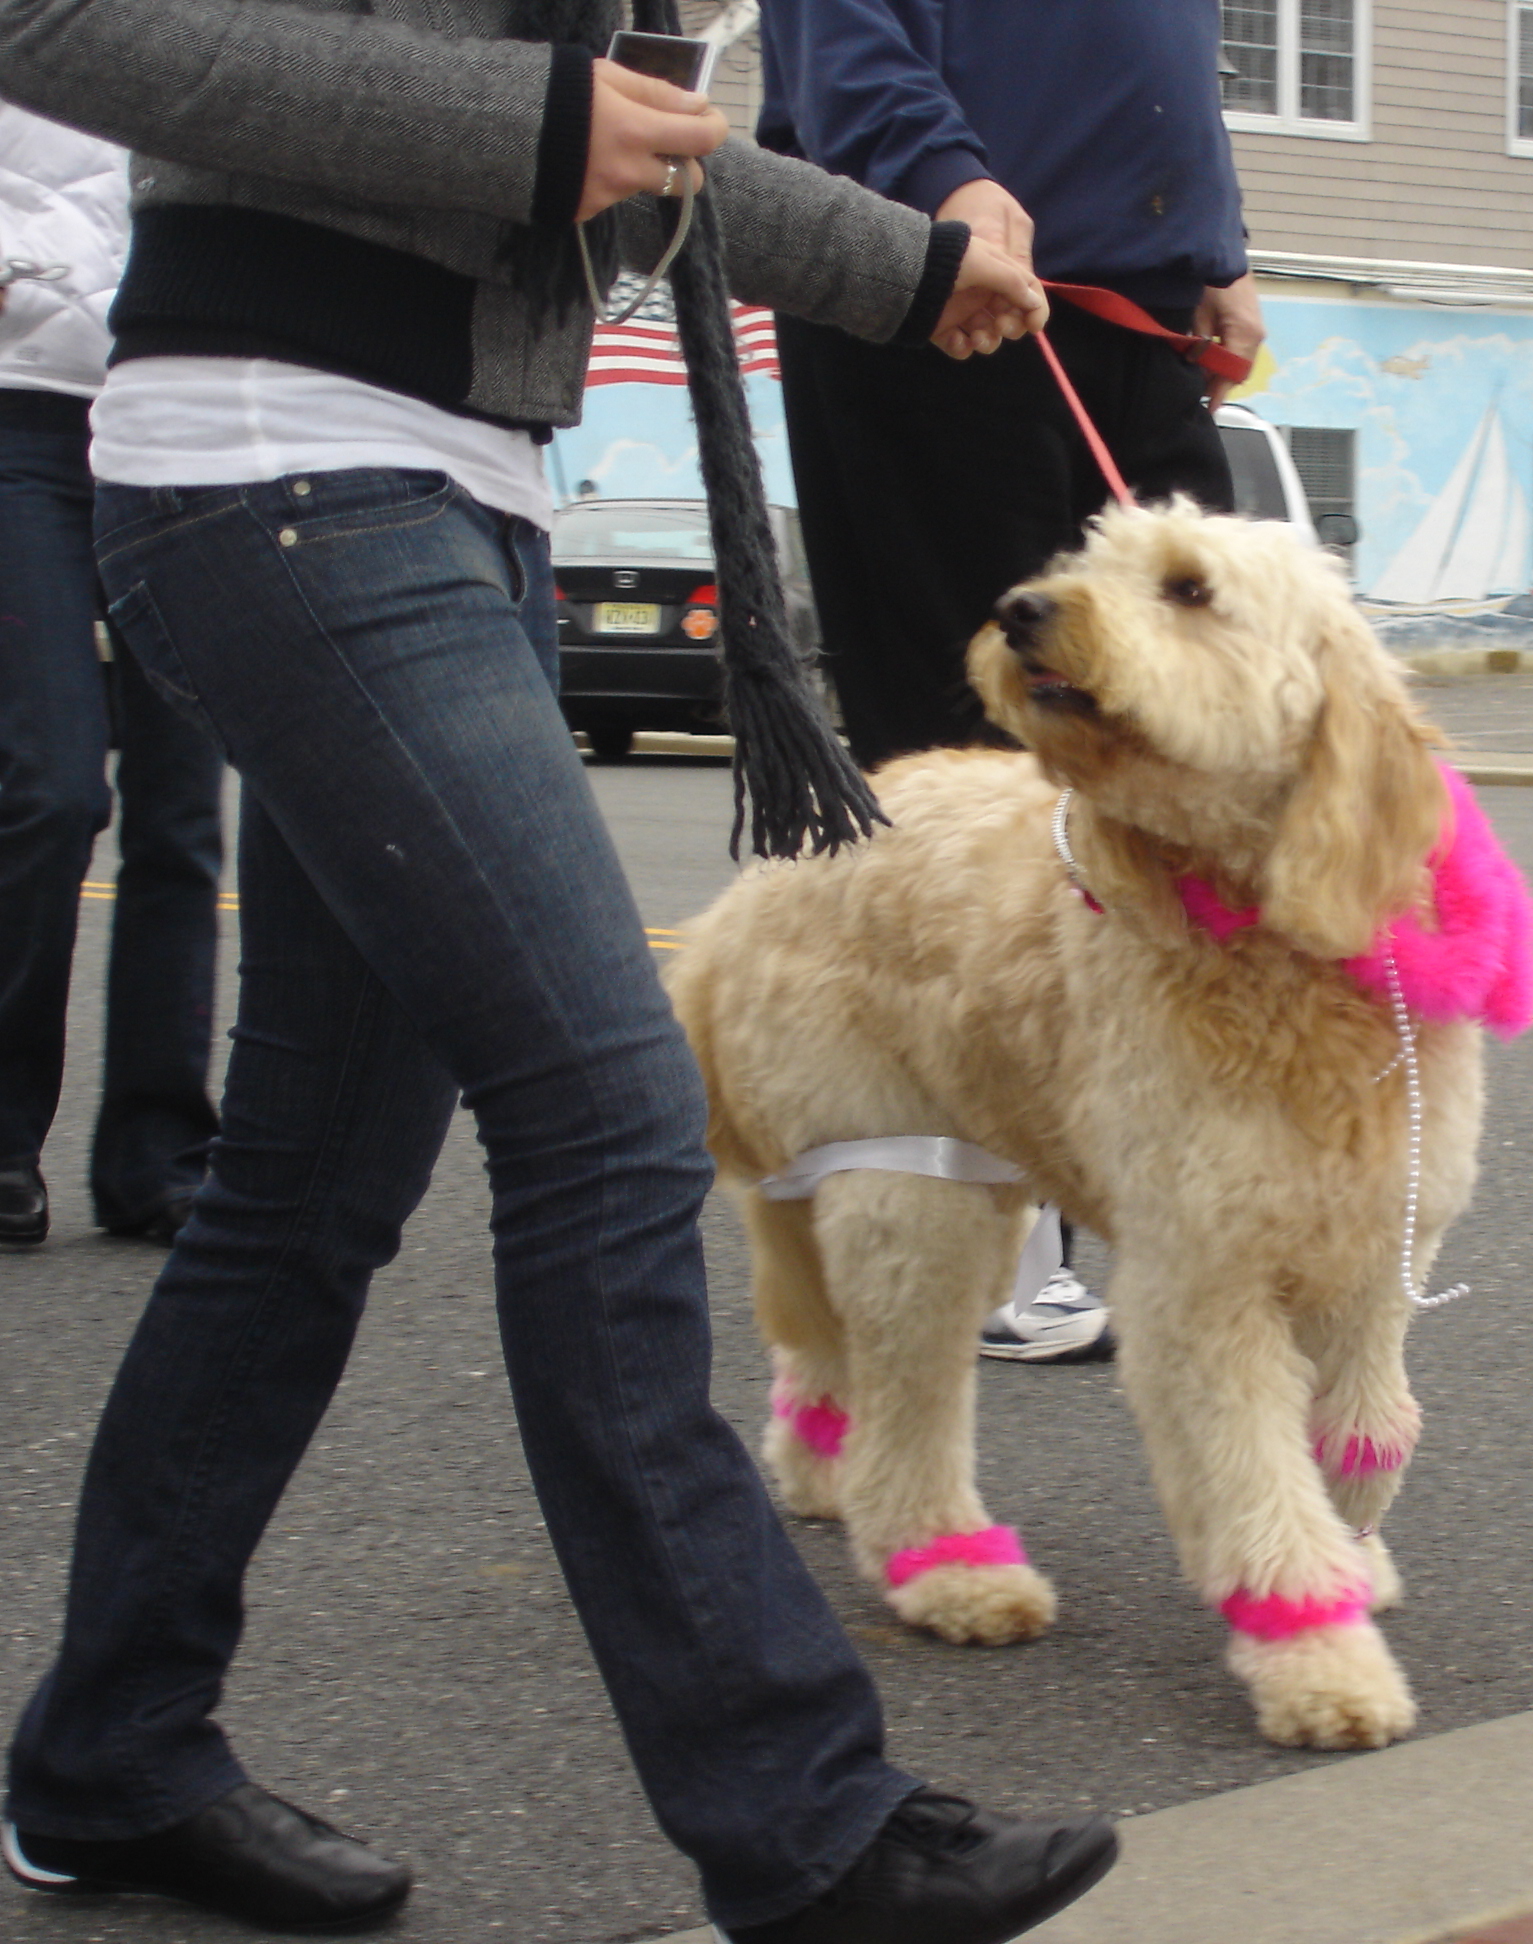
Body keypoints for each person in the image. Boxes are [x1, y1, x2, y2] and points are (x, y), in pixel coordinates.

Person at [0, 0, 1117, 1938]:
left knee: (305, 1186)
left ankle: (111, 1751)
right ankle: (804, 1824)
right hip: (286, 462)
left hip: (470, 486)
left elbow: (636, 139)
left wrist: (914, 261)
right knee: (604, 1114)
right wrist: (528, 120)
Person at [759, 0, 1266, 1364]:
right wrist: (939, 172)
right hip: (941, 287)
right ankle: (965, 1228)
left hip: (1143, 309)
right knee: (966, 767)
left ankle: (1176, 1170)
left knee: (1198, 740)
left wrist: (1214, 238)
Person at [0, 100, 223, 1249]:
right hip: (18, 417)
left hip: (178, 416)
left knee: (182, 815)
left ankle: (157, 1157)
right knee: (50, 788)